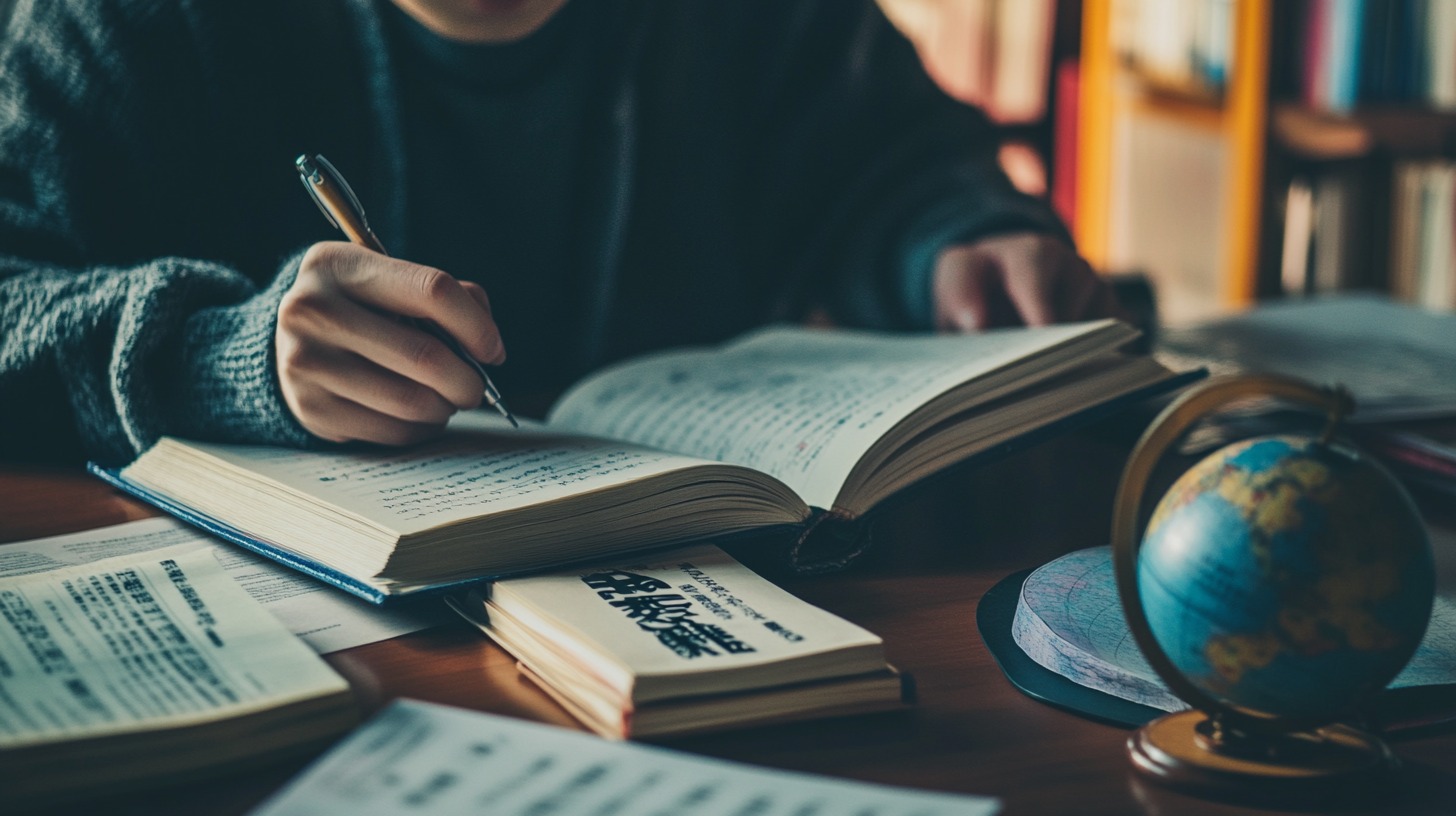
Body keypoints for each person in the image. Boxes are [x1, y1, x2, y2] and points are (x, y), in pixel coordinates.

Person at [0, 0, 1118, 465]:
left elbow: (897, 161)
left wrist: (957, 239)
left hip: (697, 631)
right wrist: (215, 358)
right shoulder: (117, 22)